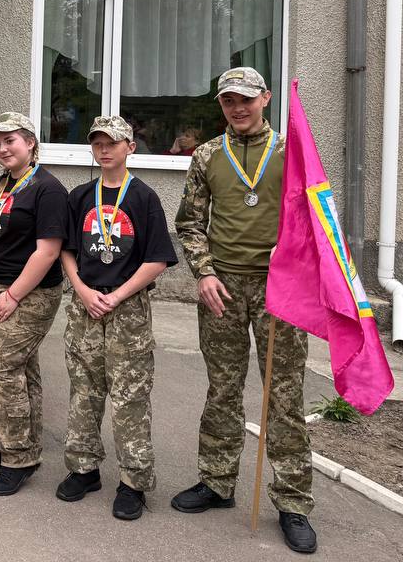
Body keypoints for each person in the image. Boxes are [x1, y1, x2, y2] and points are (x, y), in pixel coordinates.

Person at [171, 67, 316, 554]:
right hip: (223, 288)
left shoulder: (292, 152)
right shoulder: (208, 154)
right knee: (223, 389)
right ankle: (216, 482)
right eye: (229, 100)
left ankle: (293, 502)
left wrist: (293, 252)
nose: (238, 108)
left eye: (246, 99)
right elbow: (190, 222)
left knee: (284, 395)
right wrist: (203, 273)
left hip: (280, 289)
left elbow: (316, 214)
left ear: (266, 99)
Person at [58, 115, 176, 519]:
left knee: (129, 397)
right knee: (84, 391)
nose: (104, 150)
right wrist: (81, 289)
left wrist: (118, 296)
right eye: (97, 143)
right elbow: (66, 249)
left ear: (131, 147)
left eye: (112, 142)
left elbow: (157, 258)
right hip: (85, 305)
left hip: (127, 309)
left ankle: (133, 482)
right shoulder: (80, 196)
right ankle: (83, 469)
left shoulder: (144, 198)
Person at [0, 112, 68, 497]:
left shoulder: (48, 189)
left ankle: (17, 458)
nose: (2, 149)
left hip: (29, 293)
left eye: (10, 141)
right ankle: (22, 445)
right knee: (21, 368)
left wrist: (13, 294)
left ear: (30, 143)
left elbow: (48, 252)